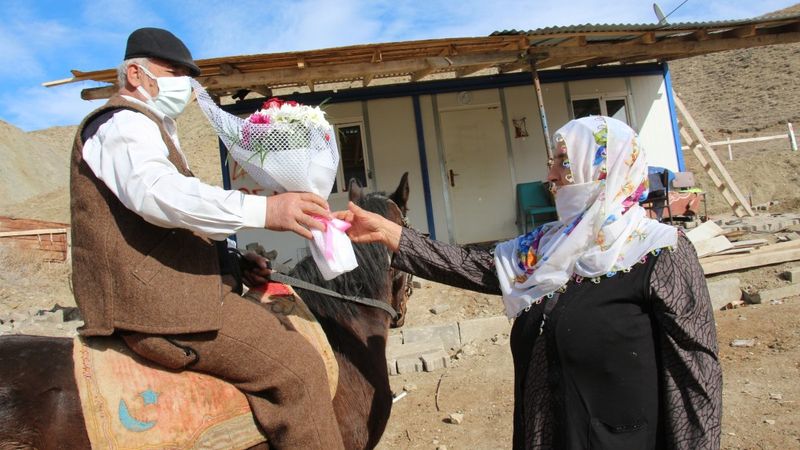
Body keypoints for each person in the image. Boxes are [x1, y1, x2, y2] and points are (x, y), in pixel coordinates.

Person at [338, 116, 721, 449]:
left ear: (603, 169)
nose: (550, 176)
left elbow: (695, 385)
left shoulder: (661, 253)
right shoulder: (548, 246)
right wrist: (393, 235)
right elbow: (474, 266)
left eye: (563, 163)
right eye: (553, 163)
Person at [70, 27, 344, 449]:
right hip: (158, 309)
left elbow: (171, 225)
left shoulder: (150, 127)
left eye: (188, 74)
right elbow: (159, 195)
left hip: (171, 296)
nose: (186, 83)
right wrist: (265, 210)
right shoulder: (122, 124)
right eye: (174, 71)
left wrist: (232, 263)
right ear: (135, 74)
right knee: (299, 368)